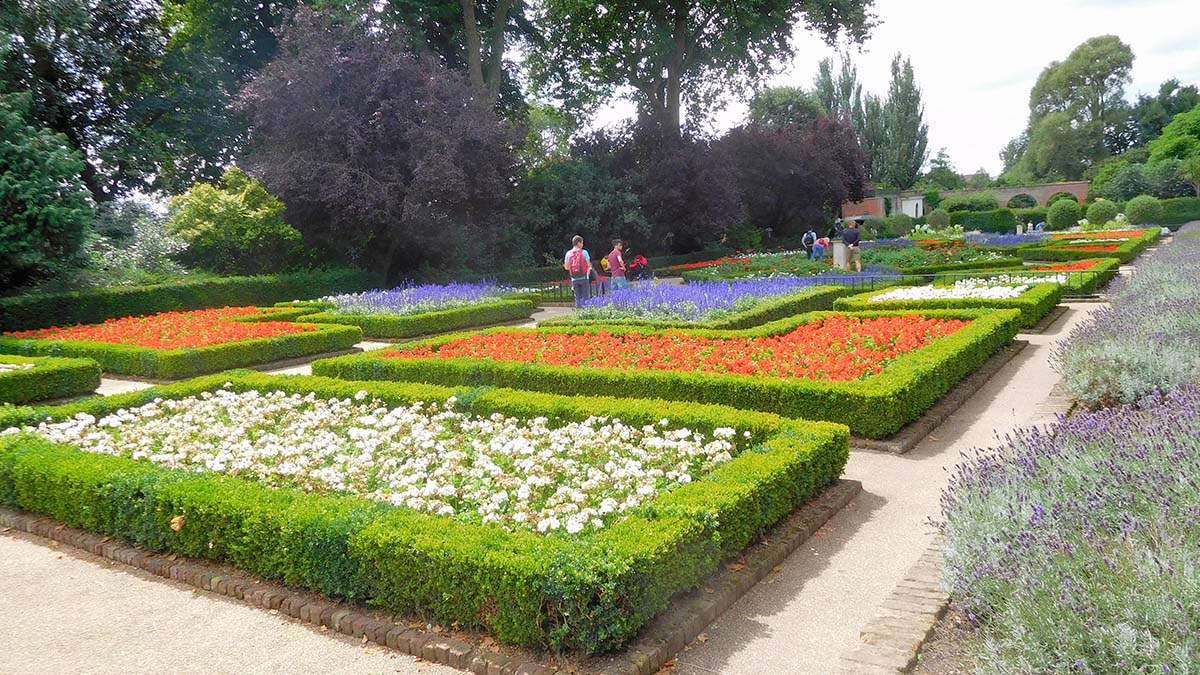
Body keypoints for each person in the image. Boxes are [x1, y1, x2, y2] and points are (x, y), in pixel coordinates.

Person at [563, 235, 592, 308]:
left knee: (577, 298)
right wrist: (587, 275)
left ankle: (578, 313)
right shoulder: (584, 252)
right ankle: (587, 313)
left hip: (574, 279)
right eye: (582, 243)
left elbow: (566, 267)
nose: (582, 245)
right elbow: (589, 265)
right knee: (586, 297)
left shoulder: (568, 254)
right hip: (584, 277)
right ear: (578, 243)